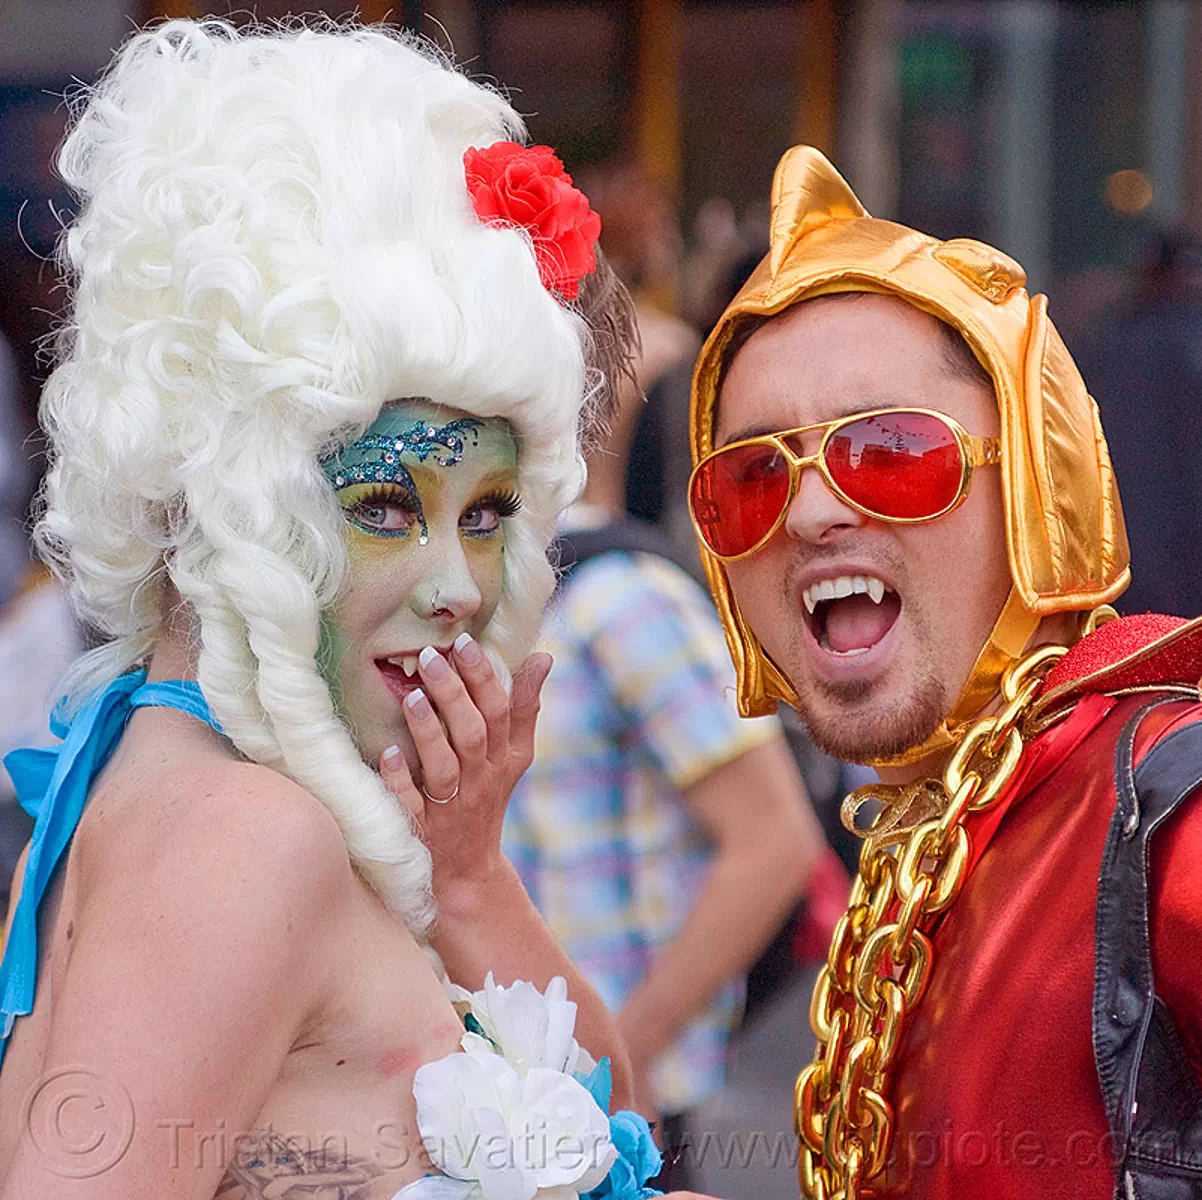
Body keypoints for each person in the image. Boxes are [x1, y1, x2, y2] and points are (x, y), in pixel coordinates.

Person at [0, 20, 664, 1200]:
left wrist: (466, 878)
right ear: (217, 497)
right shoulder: (242, 839)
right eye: (386, 506)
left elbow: (615, 1121)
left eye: (486, 511)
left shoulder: (244, 791)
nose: (460, 588)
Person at [679, 146, 1202, 1199]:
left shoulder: (1168, 809)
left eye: (888, 451)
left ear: (1032, 487)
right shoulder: (928, 832)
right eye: (749, 479)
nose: (815, 512)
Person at [502, 296, 829, 1188]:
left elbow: (774, 844)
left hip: (609, 1110)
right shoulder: (495, 588)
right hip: (505, 1095)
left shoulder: (623, 597)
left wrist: (622, 1063)